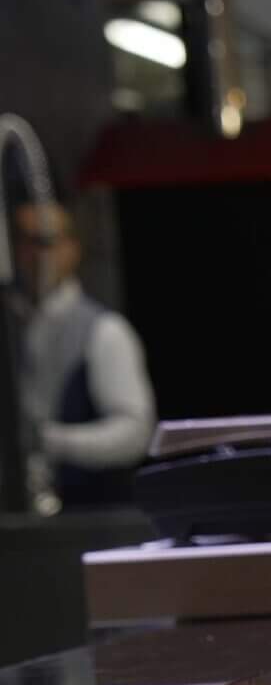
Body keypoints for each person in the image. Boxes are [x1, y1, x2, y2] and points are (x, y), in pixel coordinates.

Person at [15, 199, 155, 510]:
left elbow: (135, 434)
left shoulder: (104, 330)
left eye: (45, 242)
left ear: (72, 248)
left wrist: (48, 441)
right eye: (23, 242)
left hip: (88, 513)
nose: (34, 254)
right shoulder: (14, 325)